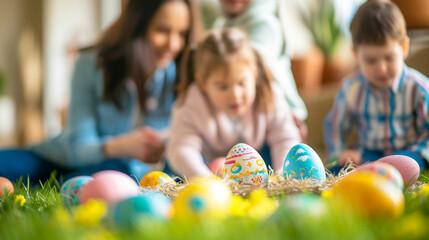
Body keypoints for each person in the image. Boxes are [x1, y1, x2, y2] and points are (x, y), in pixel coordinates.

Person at [0, 0, 202, 183]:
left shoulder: (185, 74)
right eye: (162, 30)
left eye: (182, 33)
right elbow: (79, 145)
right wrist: (121, 146)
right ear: (136, 26)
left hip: (123, 170)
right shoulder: (92, 62)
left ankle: (65, 183)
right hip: (64, 157)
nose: (174, 44)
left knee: (111, 172)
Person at [165, 28, 301, 179]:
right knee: (174, 165)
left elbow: (285, 136)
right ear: (203, 83)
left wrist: (282, 173)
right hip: (209, 169)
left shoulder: (268, 94)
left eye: (242, 83)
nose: (235, 95)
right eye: (223, 87)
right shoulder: (191, 103)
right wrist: (205, 180)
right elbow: (181, 148)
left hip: (261, 164)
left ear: (254, 74)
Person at [324, 0, 429, 174]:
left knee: (406, 165)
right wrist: (341, 152)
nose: (381, 68)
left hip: (408, 153)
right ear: (356, 55)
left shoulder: (418, 89)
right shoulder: (351, 88)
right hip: (367, 156)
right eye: (371, 60)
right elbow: (335, 125)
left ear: (404, 47)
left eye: (389, 58)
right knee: (337, 171)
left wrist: (416, 154)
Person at [214, 0, 308, 139]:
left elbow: (246, 65)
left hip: (280, 115)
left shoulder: (266, 24)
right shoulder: (222, 25)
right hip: (248, 115)